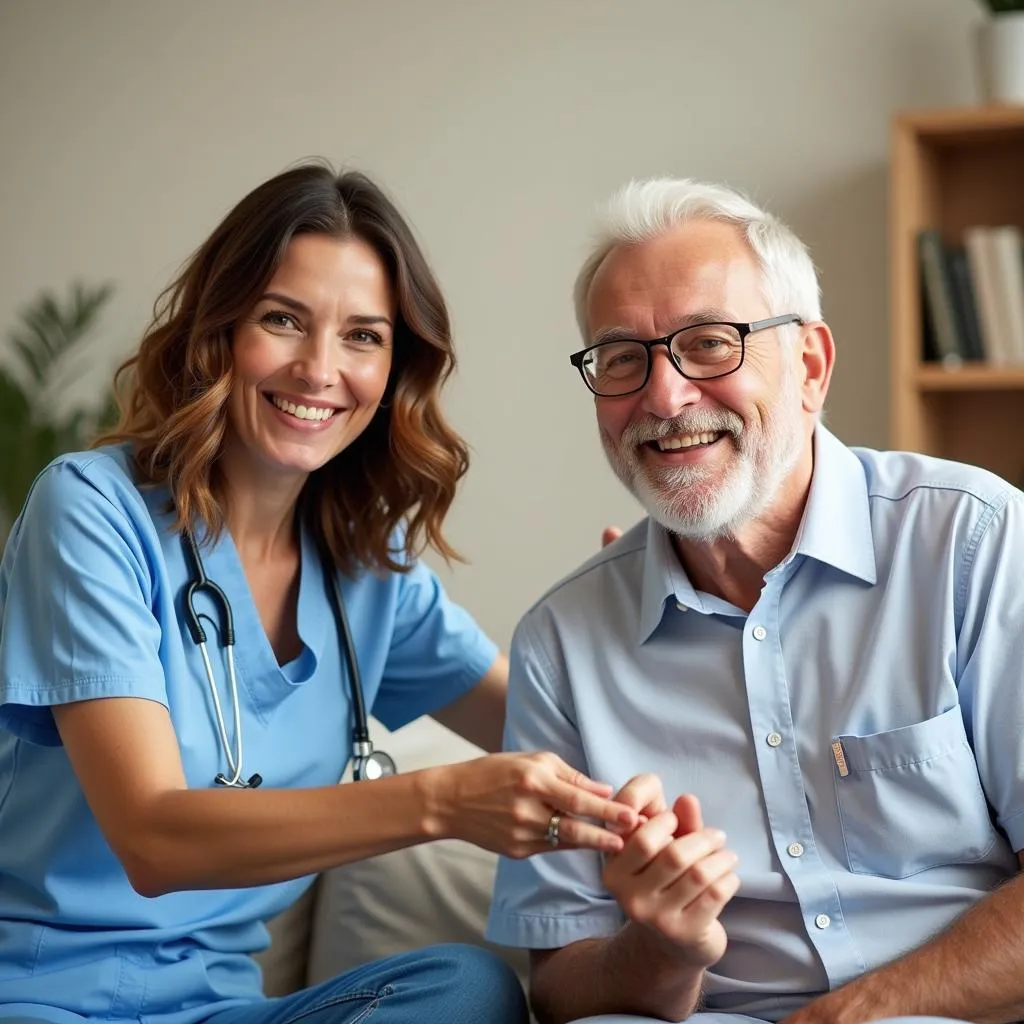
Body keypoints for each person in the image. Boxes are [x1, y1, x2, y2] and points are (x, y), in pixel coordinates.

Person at [0, 163, 643, 1024]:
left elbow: (565, 743)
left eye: (363, 336)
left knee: (466, 989)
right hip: (43, 999)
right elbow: (151, 840)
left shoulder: (367, 573)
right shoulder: (91, 511)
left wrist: (637, 615)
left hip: (224, 1012)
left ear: (395, 368)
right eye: (282, 320)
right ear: (218, 330)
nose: (318, 369)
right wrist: (443, 801)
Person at [485, 176, 1024, 1024]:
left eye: (709, 343)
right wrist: (663, 948)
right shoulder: (562, 641)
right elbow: (560, 985)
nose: (664, 398)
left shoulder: (972, 541)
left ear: (809, 367)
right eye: (624, 358)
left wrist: (848, 1016)